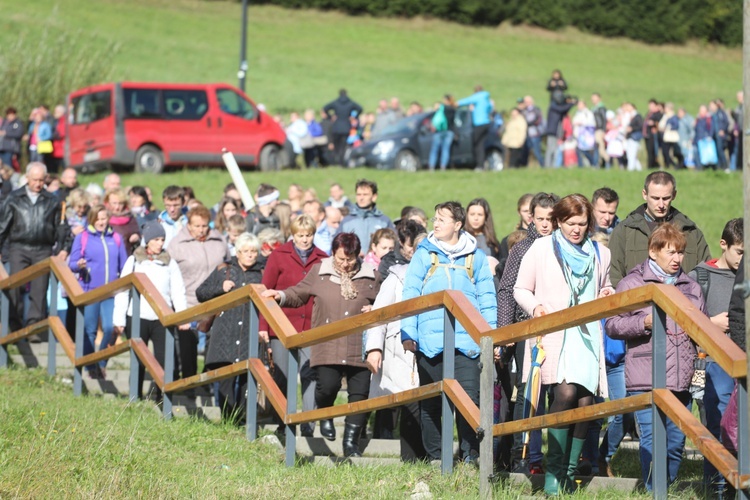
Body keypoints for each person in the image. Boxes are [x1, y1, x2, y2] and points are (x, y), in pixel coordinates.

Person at [514, 194, 614, 494]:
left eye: (583, 224)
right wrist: (536, 309)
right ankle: (554, 474)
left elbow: (604, 285)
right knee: (566, 392)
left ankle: (570, 474)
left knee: (585, 403)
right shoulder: (542, 247)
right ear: (558, 221)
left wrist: (607, 293)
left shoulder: (600, 252)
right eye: (570, 223)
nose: (576, 229)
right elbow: (521, 288)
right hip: (556, 334)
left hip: (586, 337)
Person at [605, 223, 704, 491]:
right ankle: (654, 491)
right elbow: (612, 325)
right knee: (651, 439)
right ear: (653, 251)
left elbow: (700, 331)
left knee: (675, 442)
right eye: (670, 252)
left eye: (681, 253)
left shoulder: (691, 287)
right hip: (646, 375)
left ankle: (665, 487)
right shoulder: (632, 283)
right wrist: (644, 323)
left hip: (681, 378)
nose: (677, 259)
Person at [263, 233, 380, 457]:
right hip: (328, 343)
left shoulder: (370, 277)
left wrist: (375, 309)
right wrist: (279, 295)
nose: (345, 265)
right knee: (327, 386)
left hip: (359, 344)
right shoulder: (320, 271)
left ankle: (350, 443)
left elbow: (385, 301)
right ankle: (325, 414)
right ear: (333, 254)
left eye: (350, 259)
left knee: (359, 394)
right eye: (340, 259)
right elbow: (298, 293)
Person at [401, 201, 497, 463]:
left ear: (457, 224)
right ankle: (436, 458)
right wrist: (408, 333)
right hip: (430, 341)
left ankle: (470, 455)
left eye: (442, 219)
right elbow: (410, 292)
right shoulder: (424, 253)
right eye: (435, 219)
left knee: (469, 399)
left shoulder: (475, 257)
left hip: (467, 341)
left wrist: (490, 337)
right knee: (431, 402)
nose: (436, 223)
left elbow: (487, 299)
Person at [497, 192, 559, 474]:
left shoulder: (565, 246)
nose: (545, 224)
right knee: (528, 391)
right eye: (541, 218)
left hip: (560, 327)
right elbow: (507, 290)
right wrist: (506, 329)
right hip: (526, 328)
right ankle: (524, 455)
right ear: (531, 217)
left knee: (558, 391)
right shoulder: (521, 249)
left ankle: (558, 455)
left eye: (550, 219)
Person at [259, 214, 328, 436]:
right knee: (283, 375)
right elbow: (265, 292)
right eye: (300, 235)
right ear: (293, 234)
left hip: (311, 327)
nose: (305, 240)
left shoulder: (322, 258)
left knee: (310, 375)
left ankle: (308, 425)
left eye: (309, 235)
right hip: (280, 326)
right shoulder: (278, 256)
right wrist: (263, 326)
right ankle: (283, 422)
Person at [689, 218, 743, 496]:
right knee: (718, 424)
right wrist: (711, 323)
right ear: (724, 245)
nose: (744, 259)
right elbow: (682, 319)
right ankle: (717, 488)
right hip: (714, 363)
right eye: (740, 252)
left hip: (743, 365)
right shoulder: (700, 276)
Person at [364, 235, 429, 462]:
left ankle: (431, 457)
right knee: (410, 400)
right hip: (400, 348)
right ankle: (411, 459)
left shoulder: (440, 275)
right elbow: (379, 313)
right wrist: (374, 348)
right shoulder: (397, 275)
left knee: (429, 403)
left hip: (432, 346)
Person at [113, 221, 188, 399]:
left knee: (164, 360)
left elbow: (178, 291)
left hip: (162, 318)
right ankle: (135, 396)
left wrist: (182, 317)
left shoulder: (169, 262)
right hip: (137, 317)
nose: (160, 243)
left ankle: (161, 396)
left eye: (162, 239)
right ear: (147, 240)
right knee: (138, 359)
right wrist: (119, 320)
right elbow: (122, 291)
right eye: (156, 239)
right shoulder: (134, 261)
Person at [196, 232, 264, 422]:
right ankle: (228, 420)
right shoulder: (224, 270)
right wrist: (220, 288)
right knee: (225, 383)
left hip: (249, 335)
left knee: (246, 383)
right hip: (224, 334)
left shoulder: (262, 273)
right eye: (246, 251)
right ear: (238, 252)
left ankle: (243, 422)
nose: (250, 255)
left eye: (254, 251)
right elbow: (201, 293)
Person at [0, 163, 71, 337]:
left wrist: (64, 248)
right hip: (19, 248)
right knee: (14, 288)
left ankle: (34, 329)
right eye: (34, 180)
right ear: (27, 177)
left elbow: (62, 229)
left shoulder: (52, 201)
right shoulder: (14, 198)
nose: (38, 184)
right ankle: (15, 329)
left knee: (39, 290)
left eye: (41, 180)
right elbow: (3, 226)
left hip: (42, 249)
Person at [609, 171, 710, 286]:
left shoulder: (690, 231)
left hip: (682, 301)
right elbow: (614, 277)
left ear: (674, 195)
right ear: (644, 194)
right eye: (655, 198)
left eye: (666, 198)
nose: (661, 205)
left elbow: (706, 276)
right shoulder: (625, 231)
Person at [168, 205, 230, 379]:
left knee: (213, 345)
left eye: (204, 226)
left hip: (215, 303)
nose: (201, 230)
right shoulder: (177, 244)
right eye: (196, 226)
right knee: (188, 346)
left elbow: (227, 264)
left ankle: (208, 380)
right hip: (188, 301)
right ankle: (188, 383)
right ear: (188, 225)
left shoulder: (218, 240)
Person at [68, 204, 128, 378]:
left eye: (104, 218)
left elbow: (124, 266)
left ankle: (101, 362)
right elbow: (72, 263)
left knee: (110, 328)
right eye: (98, 219)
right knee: (90, 330)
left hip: (111, 292)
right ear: (92, 219)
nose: (101, 222)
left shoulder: (116, 238)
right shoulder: (83, 237)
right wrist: (79, 265)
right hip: (90, 290)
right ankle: (89, 366)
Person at [338, 179, 394, 254]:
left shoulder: (384, 221)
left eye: (365, 194)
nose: (361, 198)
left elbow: (394, 245)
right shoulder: (346, 221)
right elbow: (337, 245)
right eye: (358, 194)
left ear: (374, 196)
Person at [458, 85, 494, 170]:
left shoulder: (478, 97)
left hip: (479, 124)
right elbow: (490, 109)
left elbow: (467, 100)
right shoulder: (486, 99)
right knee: (481, 144)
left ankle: (479, 165)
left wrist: (456, 103)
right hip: (487, 123)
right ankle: (482, 164)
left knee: (477, 144)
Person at [323, 89, 363, 166]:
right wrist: (354, 117)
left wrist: (330, 116)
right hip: (346, 127)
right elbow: (360, 108)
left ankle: (336, 161)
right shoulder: (350, 103)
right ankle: (342, 162)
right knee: (344, 146)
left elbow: (325, 108)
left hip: (336, 127)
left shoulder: (336, 102)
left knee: (337, 145)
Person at [544, 94, 578, 169]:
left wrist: (570, 103)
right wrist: (571, 103)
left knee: (555, 149)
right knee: (551, 149)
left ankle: (552, 166)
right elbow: (562, 109)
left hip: (556, 131)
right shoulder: (553, 106)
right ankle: (548, 166)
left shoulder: (555, 106)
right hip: (552, 131)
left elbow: (564, 110)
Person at [104, 188, 141, 256]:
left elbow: (138, 233)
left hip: (125, 255)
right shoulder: (102, 217)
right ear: (107, 203)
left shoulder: (130, 217)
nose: (117, 207)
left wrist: (136, 236)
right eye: (114, 203)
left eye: (120, 203)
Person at [428, 94, 457, 171]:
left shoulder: (441, 108)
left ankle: (432, 166)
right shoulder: (453, 109)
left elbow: (434, 117)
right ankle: (443, 167)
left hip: (439, 130)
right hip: (449, 131)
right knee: (445, 149)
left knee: (435, 149)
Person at [522, 96, 544, 167]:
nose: (526, 103)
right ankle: (524, 166)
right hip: (527, 135)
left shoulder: (536, 110)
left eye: (527, 102)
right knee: (526, 152)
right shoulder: (524, 111)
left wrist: (528, 123)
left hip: (535, 134)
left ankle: (543, 165)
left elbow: (538, 120)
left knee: (537, 152)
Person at [573, 100, 596, 167]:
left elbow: (591, 123)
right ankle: (580, 165)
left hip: (585, 135)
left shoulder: (588, 113)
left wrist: (581, 123)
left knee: (584, 151)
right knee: (579, 151)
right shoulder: (578, 113)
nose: (578, 106)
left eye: (580, 104)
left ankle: (593, 163)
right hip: (578, 134)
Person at [591, 93, 608, 168]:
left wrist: (603, 130)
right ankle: (599, 164)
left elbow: (604, 119)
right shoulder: (594, 108)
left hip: (599, 130)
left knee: (601, 148)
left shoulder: (601, 108)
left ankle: (608, 161)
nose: (593, 100)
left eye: (594, 98)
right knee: (597, 148)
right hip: (595, 130)